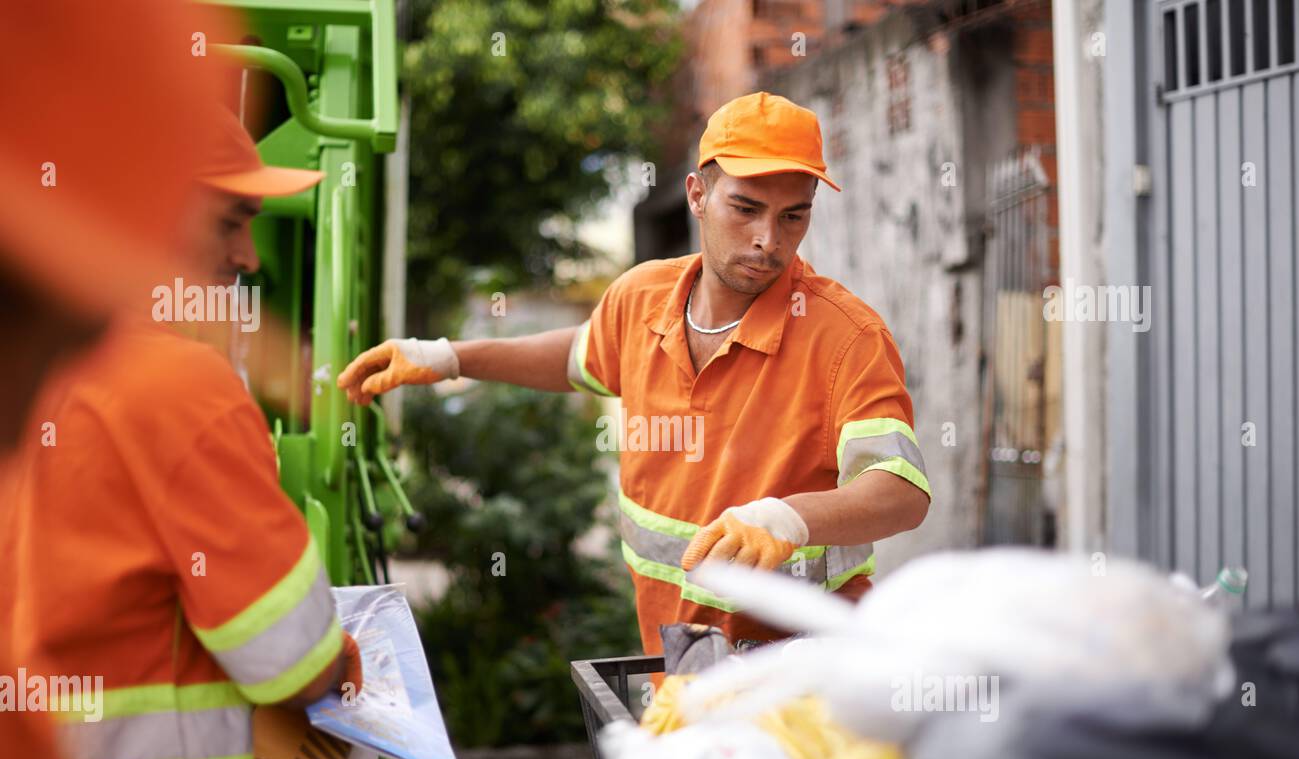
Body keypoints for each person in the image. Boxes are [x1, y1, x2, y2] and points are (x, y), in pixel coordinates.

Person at [337, 92, 931, 654]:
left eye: (793, 217)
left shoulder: (846, 336)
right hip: (678, 660)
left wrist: (790, 518)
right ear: (697, 195)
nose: (767, 240)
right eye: (745, 209)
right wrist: (449, 357)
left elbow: (900, 490)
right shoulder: (641, 298)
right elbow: (581, 356)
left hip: (808, 674)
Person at [3, 104, 362, 759]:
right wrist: (351, 661)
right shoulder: (177, 384)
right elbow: (293, 662)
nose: (249, 256)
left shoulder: (28, 361)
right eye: (231, 220)